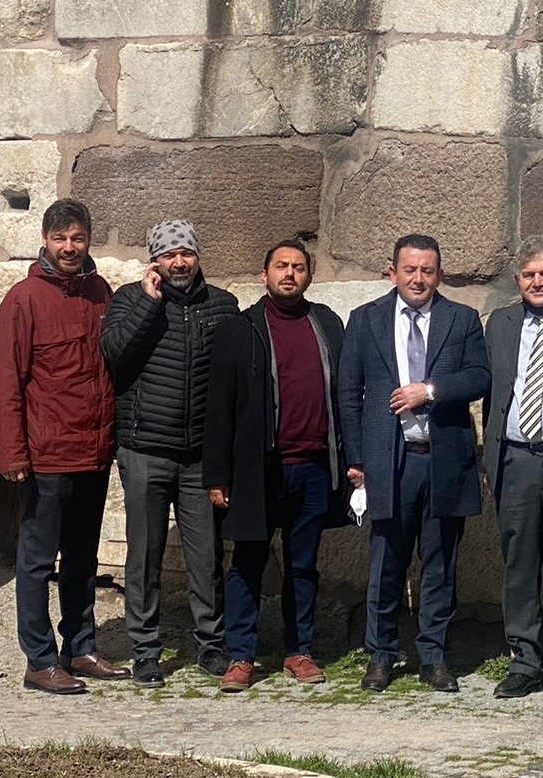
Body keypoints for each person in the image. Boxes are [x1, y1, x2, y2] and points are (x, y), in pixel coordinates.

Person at [338, 234, 490, 693]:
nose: (418, 279)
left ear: (439, 275)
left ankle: (434, 657)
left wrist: (431, 391)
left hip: (442, 459)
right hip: (389, 461)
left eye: (427, 270)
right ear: (393, 273)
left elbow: (479, 377)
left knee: (440, 565)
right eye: (410, 270)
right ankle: (380, 655)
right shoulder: (365, 319)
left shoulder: (461, 319)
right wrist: (357, 459)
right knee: (386, 563)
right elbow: (349, 394)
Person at [0, 198, 126, 694]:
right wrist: (12, 453)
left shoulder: (101, 294)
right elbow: (4, 380)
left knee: (83, 558)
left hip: (93, 451)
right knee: (37, 561)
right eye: (60, 238)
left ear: (88, 239)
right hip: (45, 456)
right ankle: (40, 659)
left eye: (78, 237)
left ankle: (81, 647)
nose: (69, 247)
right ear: (45, 240)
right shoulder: (23, 300)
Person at [101, 219, 239, 687]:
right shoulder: (128, 299)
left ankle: (211, 646)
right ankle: (145, 651)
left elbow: (232, 376)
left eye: (186, 253)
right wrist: (148, 302)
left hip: (200, 454)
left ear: (198, 256)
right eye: (169, 255)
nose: (179, 262)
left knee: (206, 557)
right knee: (144, 555)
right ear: (154, 261)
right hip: (144, 450)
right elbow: (114, 352)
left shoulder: (222, 305)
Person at [204, 240, 345, 693]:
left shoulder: (327, 324)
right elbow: (218, 407)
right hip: (258, 470)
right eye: (281, 266)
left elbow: (344, 394)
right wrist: (217, 474)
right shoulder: (239, 330)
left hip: (313, 468)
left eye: (298, 267)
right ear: (264, 275)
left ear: (309, 276)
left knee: (303, 565)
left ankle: (298, 650)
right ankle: (241, 656)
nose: (290, 273)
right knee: (247, 562)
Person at [482, 235, 543, 701]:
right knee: (519, 564)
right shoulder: (500, 324)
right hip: (516, 457)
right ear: (517, 280)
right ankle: (524, 659)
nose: (537, 282)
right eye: (528, 275)